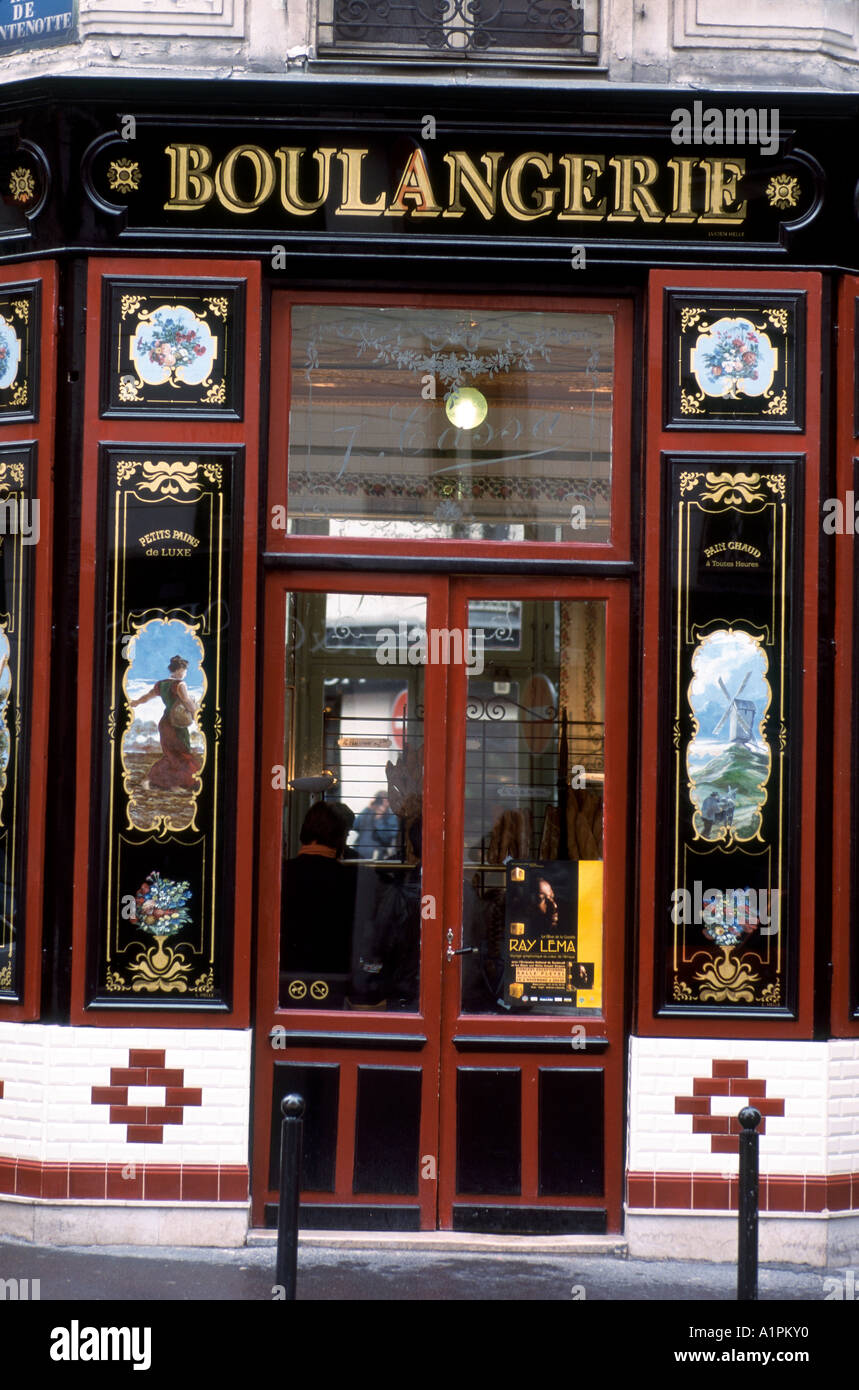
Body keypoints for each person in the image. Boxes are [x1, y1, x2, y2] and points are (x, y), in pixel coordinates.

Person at [280, 801, 357, 984]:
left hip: (286, 977)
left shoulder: (281, 874)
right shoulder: (350, 878)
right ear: (340, 836)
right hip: (335, 979)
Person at [129, 654, 202, 792]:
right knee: (182, 753)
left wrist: (136, 702)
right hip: (177, 723)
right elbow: (187, 701)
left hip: (165, 722)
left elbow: (147, 697)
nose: (185, 673)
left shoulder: (160, 684)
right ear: (179, 669)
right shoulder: (180, 684)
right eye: (185, 670)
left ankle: (153, 781)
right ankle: (173, 785)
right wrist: (196, 714)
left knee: (171, 755)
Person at [353, 791, 399, 860]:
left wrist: (379, 819)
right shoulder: (368, 812)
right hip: (359, 855)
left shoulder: (391, 816)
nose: (380, 802)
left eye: (383, 800)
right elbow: (355, 826)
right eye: (378, 800)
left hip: (376, 857)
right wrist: (368, 808)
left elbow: (386, 838)